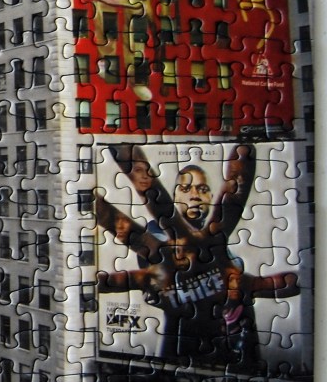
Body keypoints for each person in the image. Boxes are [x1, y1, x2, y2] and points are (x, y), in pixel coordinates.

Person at [95, 144, 299, 364]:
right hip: (184, 356)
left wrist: (248, 285)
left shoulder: (221, 245)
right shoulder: (157, 239)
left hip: (237, 356)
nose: (194, 195)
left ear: (211, 196)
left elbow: (289, 284)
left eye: (202, 189)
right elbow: (156, 277)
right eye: (186, 189)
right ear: (174, 196)